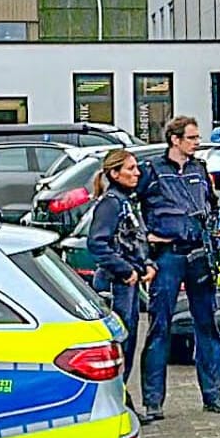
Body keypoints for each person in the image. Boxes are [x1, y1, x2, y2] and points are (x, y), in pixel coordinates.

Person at [137, 116, 220, 421]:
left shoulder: (199, 169)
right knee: (159, 326)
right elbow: (130, 206)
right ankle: (153, 401)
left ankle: (214, 395)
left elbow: (212, 206)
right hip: (167, 256)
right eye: (191, 137)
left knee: (207, 325)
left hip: (199, 254)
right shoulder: (152, 170)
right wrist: (146, 236)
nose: (196, 143)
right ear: (174, 140)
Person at [86, 148, 154, 400]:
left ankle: (122, 398)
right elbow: (97, 244)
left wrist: (146, 263)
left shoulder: (126, 201)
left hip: (131, 283)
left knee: (130, 340)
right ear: (114, 174)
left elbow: (134, 240)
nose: (137, 173)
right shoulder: (110, 204)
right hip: (115, 285)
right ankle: (117, 400)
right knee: (120, 344)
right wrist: (124, 270)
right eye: (130, 169)